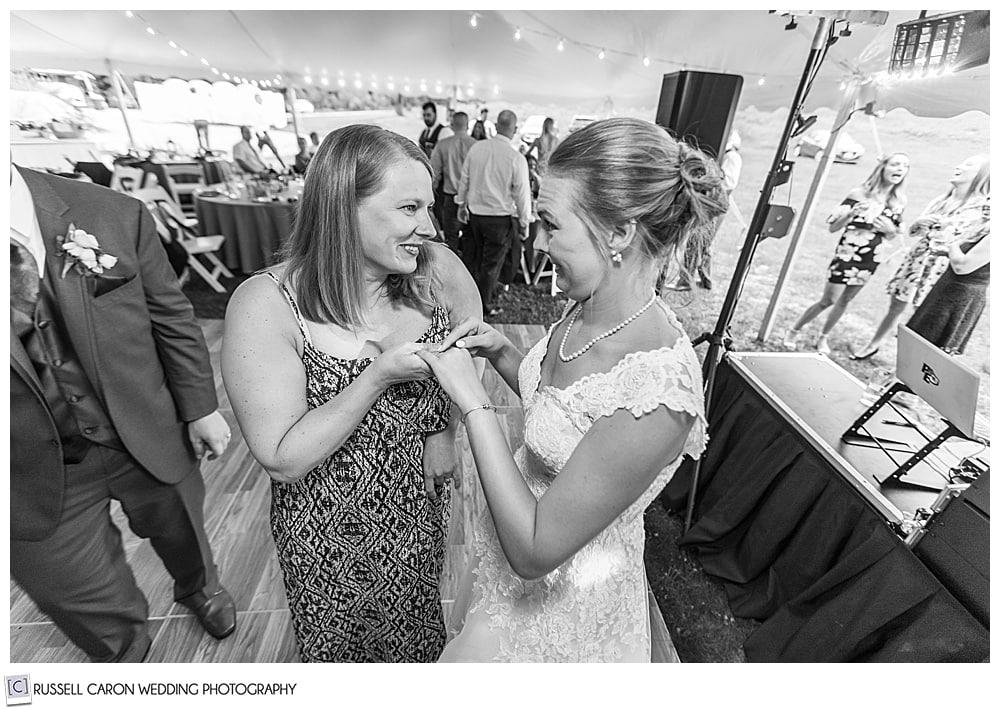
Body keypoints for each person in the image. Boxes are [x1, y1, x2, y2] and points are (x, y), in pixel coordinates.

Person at [416, 117, 727, 662]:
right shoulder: (587, 307)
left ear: (619, 234)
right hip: (501, 583)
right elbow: (562, 410)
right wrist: (502, 353)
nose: (536, 242)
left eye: (551, 225)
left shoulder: (657, 394)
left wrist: (473, 403)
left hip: (562, 613)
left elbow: (535, 551)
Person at [221, 125, 481, 662]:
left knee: (417, 644)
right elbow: (282, 458)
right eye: (410, 208)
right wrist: (377, 376)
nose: (429, 228)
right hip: (325, 534)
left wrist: (442, 430)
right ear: (343, 206)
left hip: (417, 513)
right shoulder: (266, 304)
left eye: (428, 207)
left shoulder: (435, 270)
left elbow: (463, 351)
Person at [10, 165, 236, 663]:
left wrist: (200, 407)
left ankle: (200, 588)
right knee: (71, 592)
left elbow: (171, 315)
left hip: (144, 424)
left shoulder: (112, 212)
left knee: (184, 528)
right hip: (23, 468)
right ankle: (125, 662)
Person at [852, 154, 989, 360]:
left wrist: (941, 230)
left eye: (968, 165)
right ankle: (875, 344)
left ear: (981, 176)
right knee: (897, 304)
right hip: (918, 260)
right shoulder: (942, 199)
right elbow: (914, 233)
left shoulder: (982, 208)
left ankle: (906, 360)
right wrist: (921, 223)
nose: (959, 166)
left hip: (941, 266)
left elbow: (966, 241)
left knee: (924, 312)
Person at [783, 152, 909, 355]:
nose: (900, 169)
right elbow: (833, 227)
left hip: (872, 257)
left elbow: (893, 235)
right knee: (829, 299)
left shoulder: (898, 201)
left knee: (845, 301)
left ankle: (823, 337)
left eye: (905, 166)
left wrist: (889, 230)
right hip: (848, 253)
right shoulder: (858, 194)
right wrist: (850, 214)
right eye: (895, 164)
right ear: (883, 167)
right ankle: (793, 330)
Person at [456, 109, 532, 317]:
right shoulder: (516, 158)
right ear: (515, 130)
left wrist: (461, 205)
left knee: (472, 260)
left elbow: (464, 180)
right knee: (490, 265)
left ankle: (466, 302)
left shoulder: (477, 148)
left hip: (474, 216)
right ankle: (481, 307)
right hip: (499, 219)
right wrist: (525, 222)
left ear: (496, 126)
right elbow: (522, 195)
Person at [667, 130, 743, 291]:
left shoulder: (731, 157)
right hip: (709, 201)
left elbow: (729, 182)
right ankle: (705, 279)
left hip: (710, 203)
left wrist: (707, 183)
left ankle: (687, 280)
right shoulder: (727, 156)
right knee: (705, 243)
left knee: (698, 242)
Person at [906, 208, 989, 354]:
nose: (988, 204)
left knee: (930, 347)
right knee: (920, 339)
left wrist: (952, 244)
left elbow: (962, 266)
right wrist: (946, 252)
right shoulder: (986, 228)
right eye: (988, 198)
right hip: (948, 287)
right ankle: (901, 374)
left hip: (960, 296)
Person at [430, 111, 477, 254]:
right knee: (470, 239)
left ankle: (452, 273)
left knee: (451, 239)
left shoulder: (442, 145)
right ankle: (468, 273)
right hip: (471, 200)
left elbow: (434, 174)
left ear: (451, 125)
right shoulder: (476, 146)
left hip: (450, 198)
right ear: (467, 125)